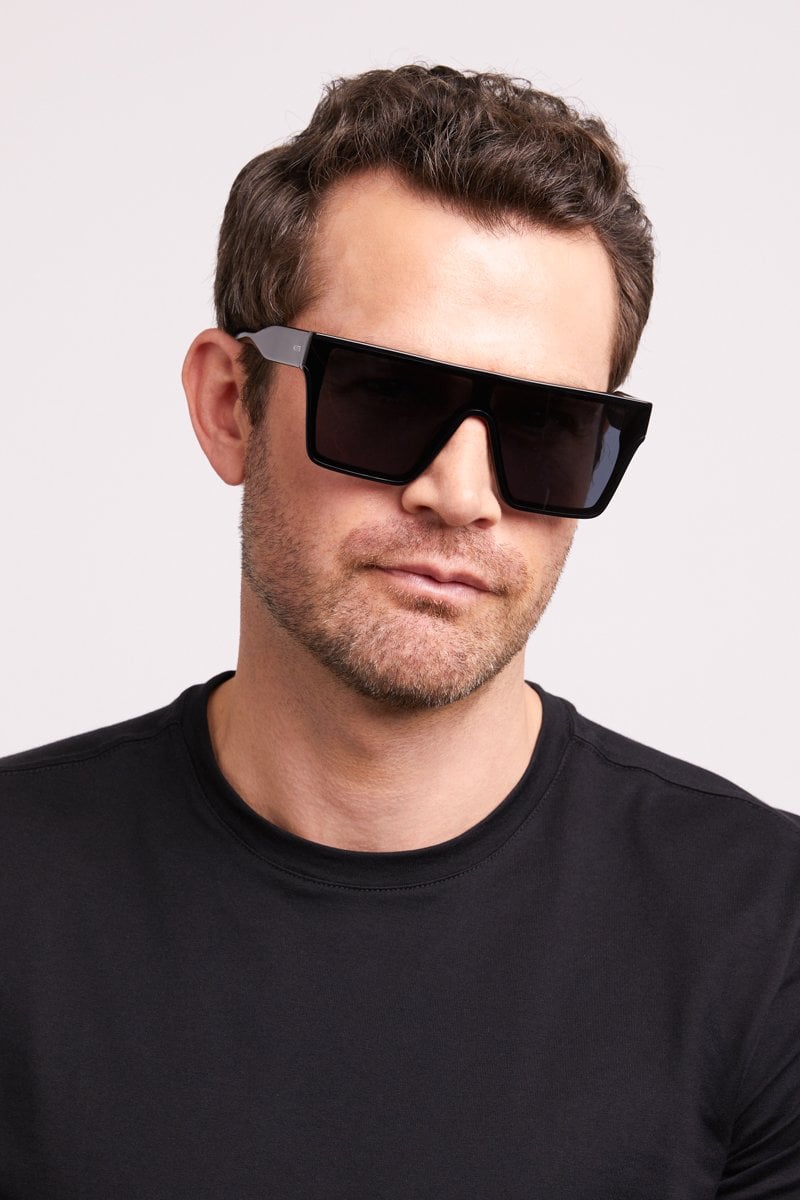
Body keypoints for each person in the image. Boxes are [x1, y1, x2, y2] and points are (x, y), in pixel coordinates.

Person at [0, 64, 797, 1199]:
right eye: (384, 396)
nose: (461, 494)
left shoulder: (766, 937)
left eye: (546, 427)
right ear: (229, 405)